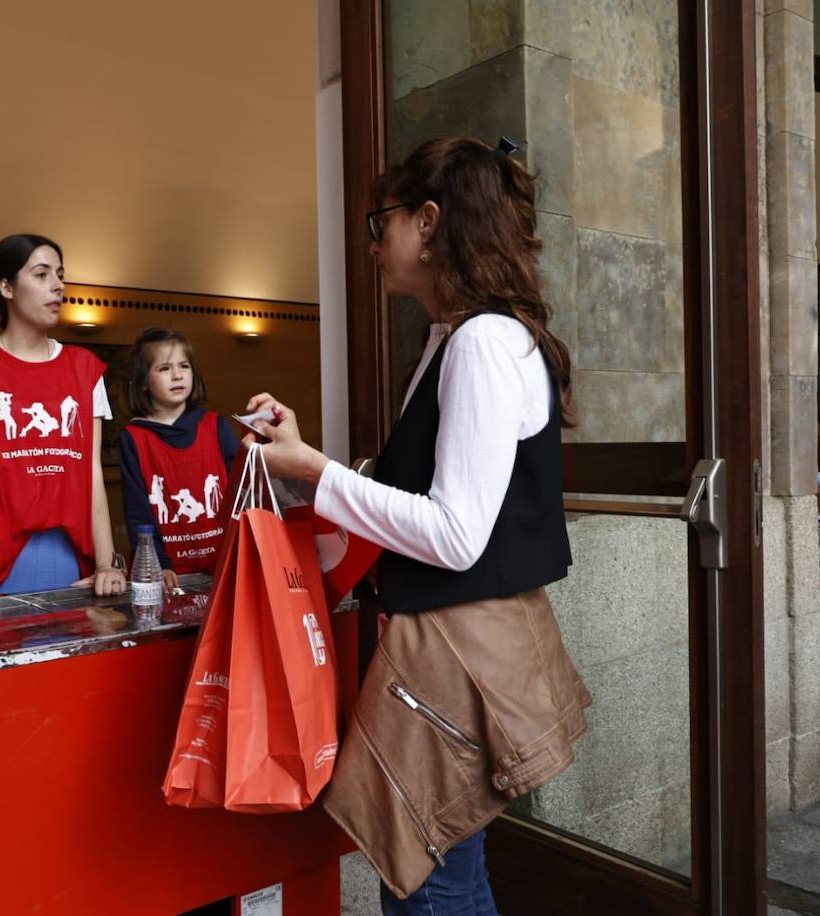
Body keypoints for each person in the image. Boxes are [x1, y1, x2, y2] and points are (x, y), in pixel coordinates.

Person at [245, 136, 590, 914]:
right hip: (452, 646)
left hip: (453, 654)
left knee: (433, 887)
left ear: (429, 222)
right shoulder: (454, 339)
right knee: (446, 874)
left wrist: (316, 472)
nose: (374, 239)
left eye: (383, 218)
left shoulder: (482, 343)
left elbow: (456, 533)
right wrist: (317, 468)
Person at [0, 233, 126, 602]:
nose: (58, 285)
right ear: (6, 287)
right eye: (41, 274)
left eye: (60, 275)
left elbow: (91, 472)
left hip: (67, 561)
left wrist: (106, 562)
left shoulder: (85, 371)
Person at [118, 328, 241, 592]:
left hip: (224, 568)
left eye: (184, 366)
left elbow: (241, 495)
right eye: (164, 368)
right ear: (142, 381)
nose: (177, 375)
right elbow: (137, 510)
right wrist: (158, 563)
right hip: (168, 575)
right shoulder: (133, 437)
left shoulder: (216, 426)